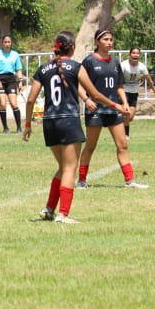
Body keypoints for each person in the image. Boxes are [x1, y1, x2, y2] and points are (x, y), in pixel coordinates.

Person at [22, 31, 130, 224]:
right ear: (72, 48)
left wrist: (28, 124)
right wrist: (116, 106)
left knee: (63, 167)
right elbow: (95, 94)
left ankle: (49, 209)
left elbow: (30, 100)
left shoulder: (43, 69)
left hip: (50, 122)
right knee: (70, 168)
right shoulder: (76, 67)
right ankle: (63, 214)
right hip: (69, 121)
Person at [76, 31, 147, 189]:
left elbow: (119, 85)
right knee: (90, 146)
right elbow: (78, 85)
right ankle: (81, 180)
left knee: (122, 145)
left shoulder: (115, 62)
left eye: (111, 39)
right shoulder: (89, 61)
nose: (109, 42)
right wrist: (86, 100)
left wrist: (125, 102)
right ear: (97, 41)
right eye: (105, 39)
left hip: (113, 109)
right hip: (96, 109)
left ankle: (130, 181)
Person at [0, 35, 24, 133]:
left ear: (11, 43)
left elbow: (18, 69)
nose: (7, 44)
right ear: (2, 43)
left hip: (11, 79)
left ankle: (19, 128)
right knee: (3, 104)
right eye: (5, 42)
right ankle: (5, 128)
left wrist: (20, 81)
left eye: (9, 42)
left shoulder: (15, 54)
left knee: (13, 103)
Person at [120, 47, 155, 138]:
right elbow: (117, 79)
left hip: (134, 92)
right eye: (133, 53)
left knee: (130, 117)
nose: (135, 55)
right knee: (127, 114)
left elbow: (149, 80)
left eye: (137, 53)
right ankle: (126, 135)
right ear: (129, 54)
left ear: (139, 55)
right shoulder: (123, 65)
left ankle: (119, 122)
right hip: (123, 91)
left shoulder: (142, 67)